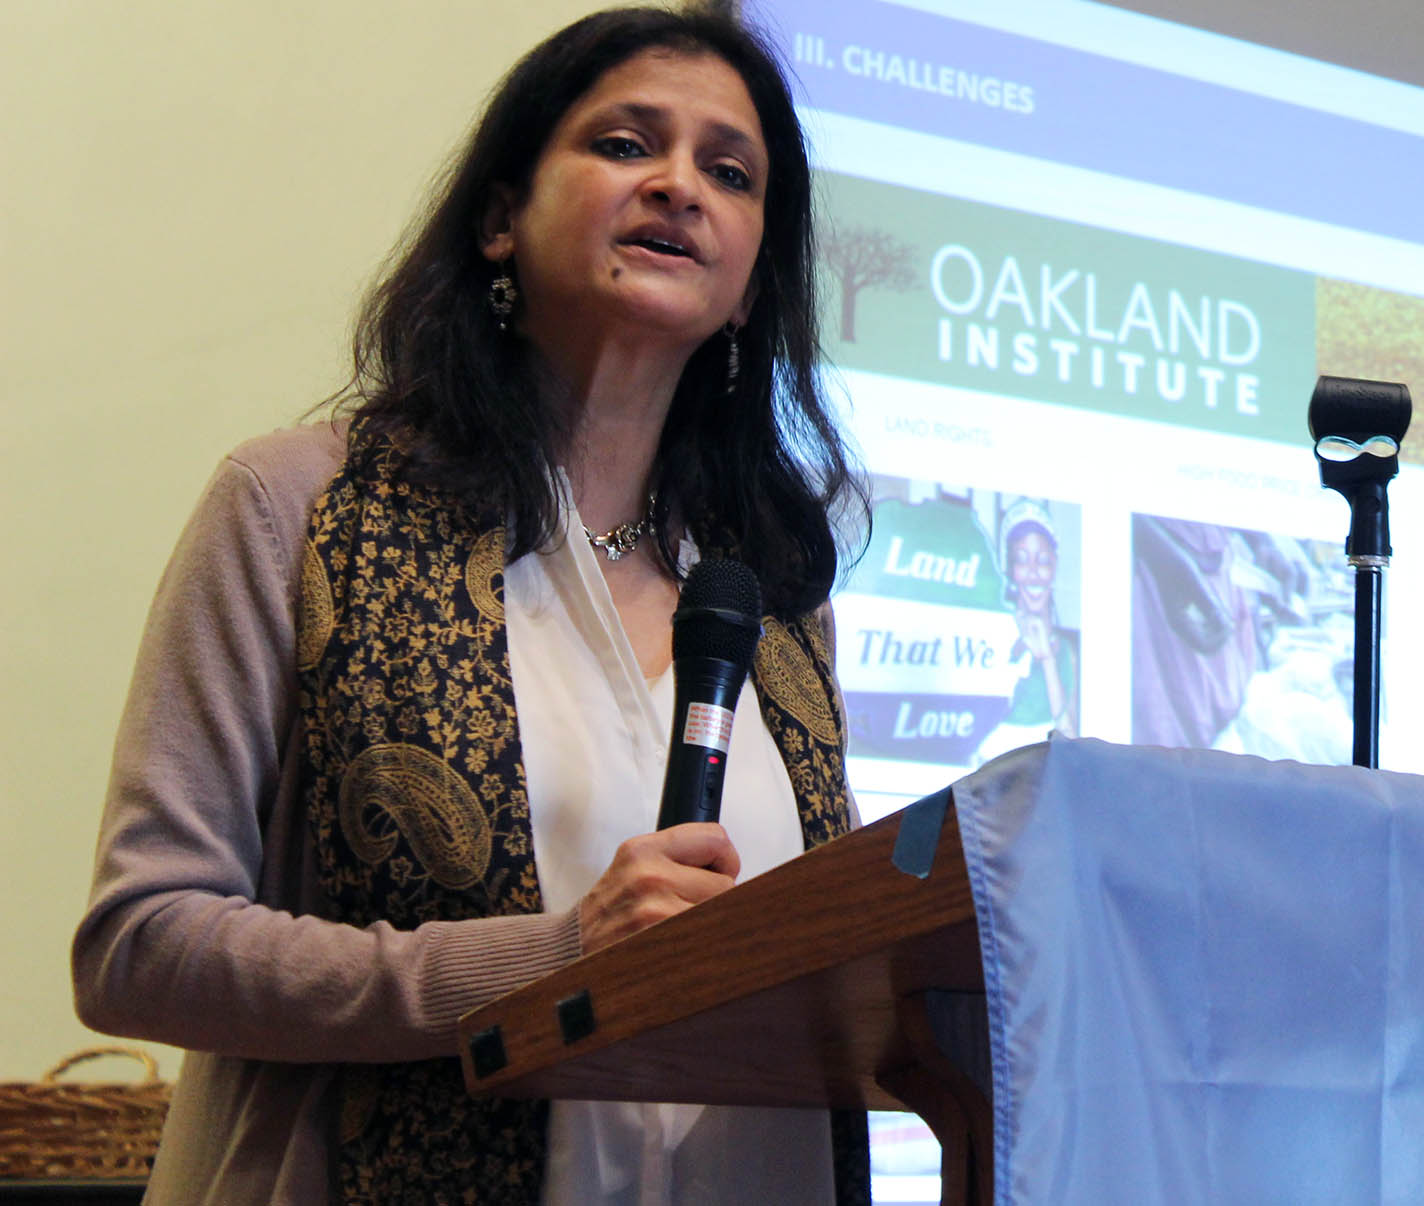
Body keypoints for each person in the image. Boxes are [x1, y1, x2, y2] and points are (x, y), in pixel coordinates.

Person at [70, 8, 869, 1204]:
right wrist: (556, 961)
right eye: (623, 144)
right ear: (500, 219)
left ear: (752, 284)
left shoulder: (768, 597)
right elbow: (142, 946)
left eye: (729, 171)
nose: (677, 186)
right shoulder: (298, 507)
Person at [997, 499, 1078, 739]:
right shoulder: (993, 635)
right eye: (1022, 559)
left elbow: (1071, 740)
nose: (1033, 572)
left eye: (1043, 561)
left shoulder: (1067, 652)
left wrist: (1047, 660)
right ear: (1010, 569)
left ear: (1054, 568)